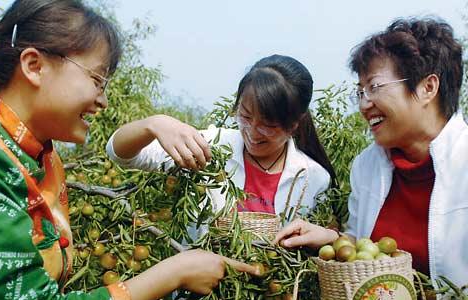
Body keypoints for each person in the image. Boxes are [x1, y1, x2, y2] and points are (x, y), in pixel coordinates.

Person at [0, 1, 258, 300]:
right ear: (34, 66)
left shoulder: (40, 157)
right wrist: (174, 272)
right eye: (97, 80)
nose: (103, 101)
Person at [275, 17, 467, 287]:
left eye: (374, 87)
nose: (364, 104)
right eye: (360, 92)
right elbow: (361, 245)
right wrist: (332, 239)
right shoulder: (367, 167)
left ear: (428, 88)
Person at [107, 55, 335, 224]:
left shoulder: (313, 179)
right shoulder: (210, 146)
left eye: (268, 125)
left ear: (294, 124)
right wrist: (153, 125)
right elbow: (120, 154)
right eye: (245, 116)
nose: (252, 132)